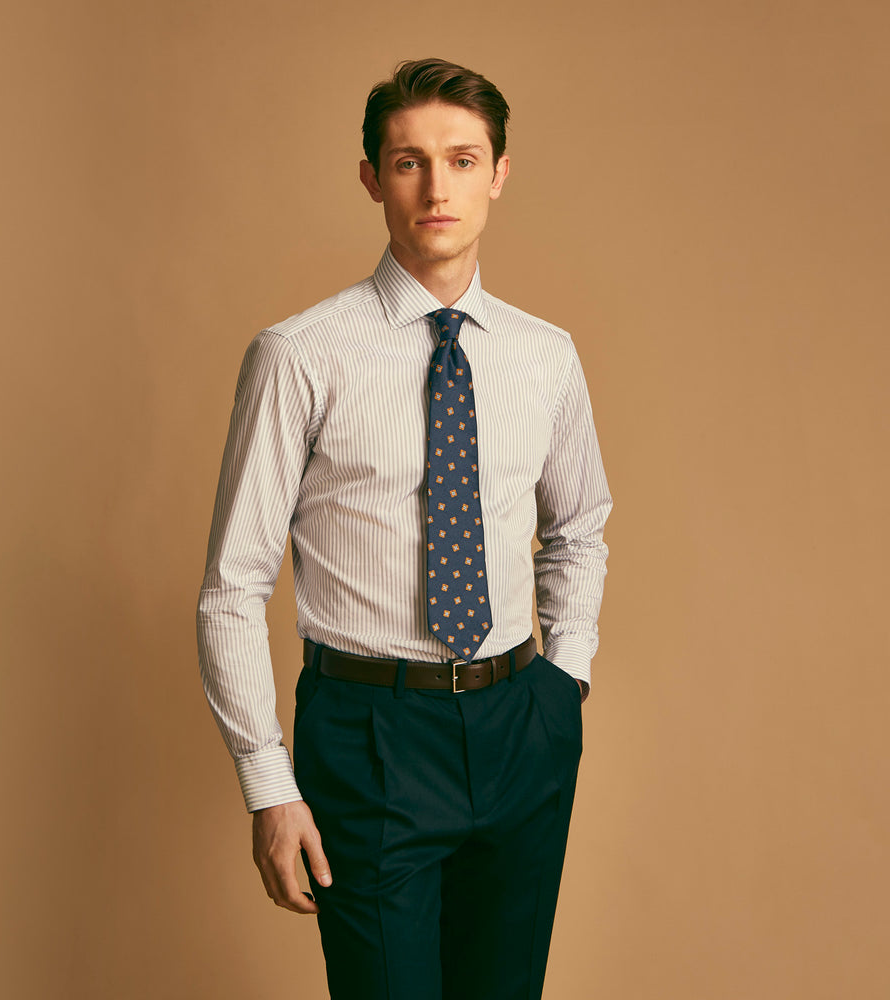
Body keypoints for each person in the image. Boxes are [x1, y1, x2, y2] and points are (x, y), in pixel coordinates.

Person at [197, 57, 612, 1000]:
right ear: (372, 177)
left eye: (462, 160)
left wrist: (565, 683)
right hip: (369, 735)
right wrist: (269, 786)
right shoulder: (299, 356)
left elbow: (580, 526)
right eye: (409, 162)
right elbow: (232, 587)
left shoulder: (545, 356)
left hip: (521, 724)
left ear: (498, 173)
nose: (436, 190)